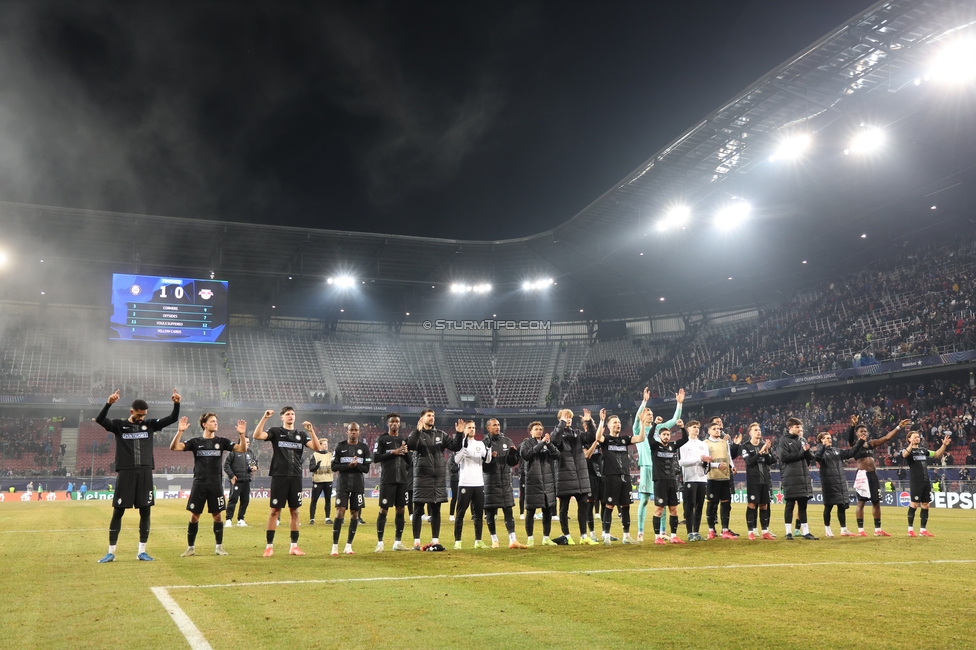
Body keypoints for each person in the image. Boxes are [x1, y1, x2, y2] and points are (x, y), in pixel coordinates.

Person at [95, 388, 180, 563]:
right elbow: (100, 420)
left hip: (145, 472)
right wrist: (108, 404)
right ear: (131, 412)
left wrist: (176, 404)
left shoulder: (149, 425)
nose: (142, 418)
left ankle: (142, 551)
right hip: (126, 473)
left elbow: (172, 419)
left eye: (144, 415)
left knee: (145, 512)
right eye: (139, 415)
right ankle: (111, 552)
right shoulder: (119, 426)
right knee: (118, 512)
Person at [170, 413, 247, 557]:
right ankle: (190, 548)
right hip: (199, 484)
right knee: (194, 516)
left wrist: (242, 435)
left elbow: (242, 449)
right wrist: (180, 432)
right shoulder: (195, 442)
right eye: (212, 421)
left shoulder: (222, 442)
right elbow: (174, 447)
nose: (215, 423)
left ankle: (219, 547)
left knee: (217, 516)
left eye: (216, 421)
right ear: (204, 424)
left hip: (215, 485)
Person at [253, 406, 321, 557]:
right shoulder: (276, 432)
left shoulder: (301, 435)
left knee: (295, 511)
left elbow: (317, 448)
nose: (291, 416)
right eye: (288, 414)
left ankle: (294, 546)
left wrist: (311, 431)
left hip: (296, 477)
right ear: (282, 417)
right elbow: (257, 435)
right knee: (274, 511)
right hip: (280, 476)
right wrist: (264, 418)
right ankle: (269, 546)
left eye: (292, 414)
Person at [407, 409, 463, 551]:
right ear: (422, 418)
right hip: (421, 477)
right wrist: (417, 431)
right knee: (418, 510)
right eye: (429, 416)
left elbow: (456, 446)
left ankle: (435, 541)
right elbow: (411, 446)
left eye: (433, 415)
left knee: (436, 510)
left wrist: (459, 434)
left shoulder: (441, 435)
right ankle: (416, 543)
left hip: (437, 478)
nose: (432, 418)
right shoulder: (416, 434)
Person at [635, 388, 684, 542]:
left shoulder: (660, 430)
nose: (651, 415)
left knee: (662, 503)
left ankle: (662, 532)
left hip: (660, 470)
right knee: (643, 500)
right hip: (647, 467)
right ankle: (640, 532)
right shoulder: (639, 429)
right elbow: (638, 418)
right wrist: (644, 402)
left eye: (651, 414)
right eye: (648, 413)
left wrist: (679, 403)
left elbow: (675, 418)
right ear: (642, 416)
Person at [849, 415, 909, 536]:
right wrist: (853, 425)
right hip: (862, 476)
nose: (864, 432)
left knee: (876, 502)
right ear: (856, 433)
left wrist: (898, 427)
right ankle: (861, 530)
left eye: (865, 431)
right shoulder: (855, 444)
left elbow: (886, 438)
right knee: (861, 502)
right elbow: (849, 438)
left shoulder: (871, 444)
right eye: (861, 431)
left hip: (873, 475)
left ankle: (878, 530)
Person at [594, 408, 646, 545]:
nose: (618, 424)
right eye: (615, 423)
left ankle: (626, 535)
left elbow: (641, 438)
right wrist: (601, 421)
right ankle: (606, 535)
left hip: (625, 476)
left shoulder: (625, 440)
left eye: (619, 422)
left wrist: (642, 423)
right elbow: (598, 437)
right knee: (609, 505)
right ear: (609, 426)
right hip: (611, 476)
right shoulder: (606, 440)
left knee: (625, 506)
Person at [481, 418, 526, 549]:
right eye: (494, 425)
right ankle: (494, 540)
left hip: (505, 482)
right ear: (488, 428)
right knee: (490, 512)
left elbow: (512, 463)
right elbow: (483, 466)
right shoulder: (484, 443)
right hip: (490, 482)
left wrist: (513, 455)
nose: (497, 427)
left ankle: (513, 540)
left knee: (508, 511)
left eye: (498, 425)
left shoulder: (507, 441)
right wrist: (490, 459)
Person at [551, 408, 593, 545]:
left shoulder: (577, 433)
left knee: (583, 506)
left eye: (570, 417)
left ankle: (583, 536)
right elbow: (554, 441)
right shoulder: (557, 433)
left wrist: (589, 422)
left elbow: (591, 437)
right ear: (560, 419)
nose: (568, 419)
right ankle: (567, 535)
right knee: (564, 508)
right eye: (565, 417)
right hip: (565, 475)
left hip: (581, 476)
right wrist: (561, 424)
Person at [373, 412, 412, 552]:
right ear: (388, 423)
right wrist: (392, 453)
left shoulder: (403, 439)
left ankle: (397, 542)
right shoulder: (382, 439)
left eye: (397, 421)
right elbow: (375, 457)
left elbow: (410, 461)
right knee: (383, 509)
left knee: (401, 509)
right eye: (392, 421)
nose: (395, 423)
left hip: (402, 480)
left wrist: (406, 452)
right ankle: (380, 542)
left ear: (400, 423)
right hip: (387, 480)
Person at [330, 422, 371, 556]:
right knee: (339, 512)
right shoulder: (340, 446)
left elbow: (366, 469)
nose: (353, 432)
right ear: (347, 432)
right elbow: (334, 467)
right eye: (351, 430)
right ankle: (335, 546)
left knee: (355, 514)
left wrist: (356, 465)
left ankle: (348, 545)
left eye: (356, 430)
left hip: (358, 485)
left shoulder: (364, 448)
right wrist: (349, 465)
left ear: (359, 432)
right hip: (343, 484)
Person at [815, 430, 864, 537]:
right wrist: (823, 447)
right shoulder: (821, 452)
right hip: (829, 483)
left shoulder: (836, 450)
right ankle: (827, 530)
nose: (830, 439)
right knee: (828, 507)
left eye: (830, 438)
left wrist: (860, 442)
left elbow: (850, 453)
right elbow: (817, 457)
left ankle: (843, 529)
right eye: (827, 438)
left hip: (839, 482)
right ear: (821, 440)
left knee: (841, 506)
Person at [648, 421, 690, 544]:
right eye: (664, 434)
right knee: (659, 510)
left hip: (672, 481)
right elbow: (649, 437)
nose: (666, 436)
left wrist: (682, 427)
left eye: (668, 434)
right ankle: (657, 537)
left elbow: (685, 439)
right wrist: (655, 425)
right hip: (660, 481)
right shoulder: (655, 446)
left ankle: (674, 536)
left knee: (674, 510)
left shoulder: (672, 446)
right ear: (660, 436)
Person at [904, 430, 951, 537]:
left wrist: (944, 445)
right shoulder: (908, 451)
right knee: (914, 504)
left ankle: (923, 530)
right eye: (914, 437)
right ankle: (910, 530)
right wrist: (910, 445)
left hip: (926, 481)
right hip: (916, 481)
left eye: (918, 436)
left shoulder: (923, 450)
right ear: (909, 439)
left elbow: (937, 454)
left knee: (926, 504)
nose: (917, 438)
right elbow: (904, 454)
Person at [520, 421, 560, 546]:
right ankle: (530, 538)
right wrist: (542, 443)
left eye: (540, 429)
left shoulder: (547, 444)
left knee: (547, 511)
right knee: (531, 511)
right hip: (533, 481)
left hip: (547, 482)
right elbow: (527, 455)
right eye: (536, 429)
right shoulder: (525, 444)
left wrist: (549, 444)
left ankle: (546, 538)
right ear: (530, 431)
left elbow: (557, 455)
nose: (539, 431)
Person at [453, 420, 491, 549]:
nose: (472, 429)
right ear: (464, 430)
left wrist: (489, 448)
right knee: (460, 513)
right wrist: (463, 449)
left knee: (478, 514)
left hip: (478, 483)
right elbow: (456, 461)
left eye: (473, 427)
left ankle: (478, 540)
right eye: (469, 427)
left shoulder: (480, 444)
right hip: (465, 483)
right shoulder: (459, 444)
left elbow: (487, 460)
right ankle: (458, 541)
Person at [703, 417, 742, 540]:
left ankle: (725, 530)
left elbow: (729, 456)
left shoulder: (724, 442)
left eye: (718, 429)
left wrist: (732, 467)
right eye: (714, 429)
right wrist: (716, 465)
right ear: (709, 431)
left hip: (725, 478)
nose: (717, 430)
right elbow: (704, 462)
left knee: (726, 504)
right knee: (712, 504)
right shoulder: (705, 444)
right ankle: (711, 530)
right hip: (712, 478)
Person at [779, 418, 817, 540]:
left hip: (803, 476)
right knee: (790, 504)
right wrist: (802, 452)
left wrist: (807, 452)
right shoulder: (783, 440)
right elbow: (784, 457)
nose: (800, 429)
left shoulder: (803, 440)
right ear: (790, 428)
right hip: (790, 476)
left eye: (800, 427)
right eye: (797, 427)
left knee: (803, 505)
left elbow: (810, 457)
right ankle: (788, 532)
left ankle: (806, 532)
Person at [739, 423, 776, 541]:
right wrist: (760, 451)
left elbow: (770, 461)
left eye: (759, 430)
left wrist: (767, 451)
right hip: (753, 480)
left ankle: (765, 531)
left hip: (765, 479)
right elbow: (749, 462)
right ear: (750, 433)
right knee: (752, 505)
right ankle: (751, 532)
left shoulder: (763, 445)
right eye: (755, 430)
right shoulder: (746, 446)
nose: (758, 432)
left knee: (764, 505)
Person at [678, 420, 708, 541]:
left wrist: (710, 464)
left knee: (699, 506)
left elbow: (706, 461)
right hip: (690, 478)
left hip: (702, 478)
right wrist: (698, 459)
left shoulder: (703, 445)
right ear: (688, 429)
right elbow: (681, 462)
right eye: (694, 427)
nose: (697, 429)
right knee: (690, 506)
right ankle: (690, 533)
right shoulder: (684, 444)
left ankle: (696, 532)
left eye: (698, 427)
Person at [224, 436, 258, 526]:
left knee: (245, 500)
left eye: (248, 442)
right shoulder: (233, 452)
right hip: (236, 480)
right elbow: (226, 465)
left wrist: (254, 467)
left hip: (246, 480)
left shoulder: (250, 453)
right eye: (246, 441)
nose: (248, 443)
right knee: (233, 499)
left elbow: (253, 463)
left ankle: (241, 519)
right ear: (240, 442)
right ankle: (228, 519)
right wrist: (232, 475)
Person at [308, 437, 333, 525]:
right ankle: (312, 519)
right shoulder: (314, 455)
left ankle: (327, 518)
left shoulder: (330, 455)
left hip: (328, 480)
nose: (326, 446)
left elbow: (334, 466)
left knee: (328, 500)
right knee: (314, 500)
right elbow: (311, 468)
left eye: (327, 444)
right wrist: (316, 466)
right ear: (320, 445)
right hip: (318, 481)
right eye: (325, 444)